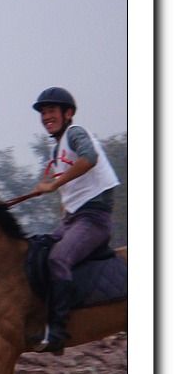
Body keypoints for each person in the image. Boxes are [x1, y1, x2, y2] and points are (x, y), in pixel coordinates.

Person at [30, 87, 120, 353]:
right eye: (43, 113)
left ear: (68, 114)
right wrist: (63, 211)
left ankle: (58, 331)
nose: (46, 116)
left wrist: (53, 184)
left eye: (51, 111)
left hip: (94, 219)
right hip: (74, 219)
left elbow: (89, 159)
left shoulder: (75, 133)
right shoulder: (57, 149)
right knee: (39, 250)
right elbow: (70, 193)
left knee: (59, 259)